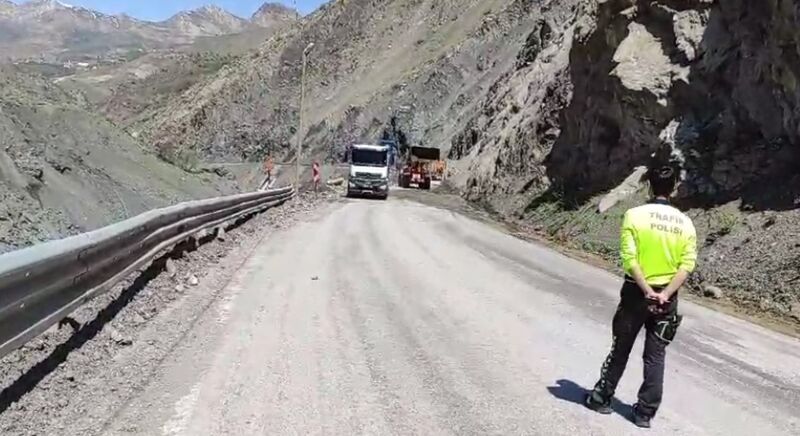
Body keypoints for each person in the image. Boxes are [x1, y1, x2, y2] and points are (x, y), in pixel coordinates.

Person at [584, 165, 697, 429]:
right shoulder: (686, 224)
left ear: (649, 186)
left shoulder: (634, 216)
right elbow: (687, 265)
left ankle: (602, 396)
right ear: (674, 188)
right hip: (667, 298)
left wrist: (646, 290)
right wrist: (665, 293)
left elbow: (629, 257)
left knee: (621, 347)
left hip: (636, 292)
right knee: (655, 356)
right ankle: (644, 413)